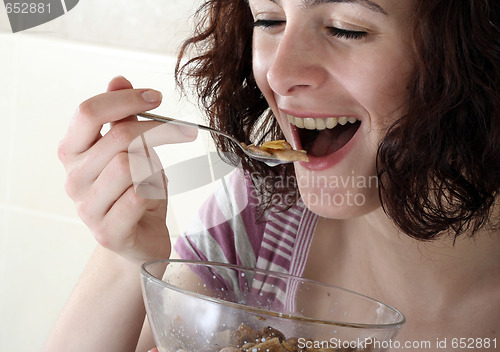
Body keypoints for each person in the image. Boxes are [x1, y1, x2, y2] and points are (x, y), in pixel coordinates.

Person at [44, 0, 500, 351]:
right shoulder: (258, 215)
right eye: (268, 20)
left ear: (475, 50)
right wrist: (126, 256)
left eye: (347, 28)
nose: (279, 73)